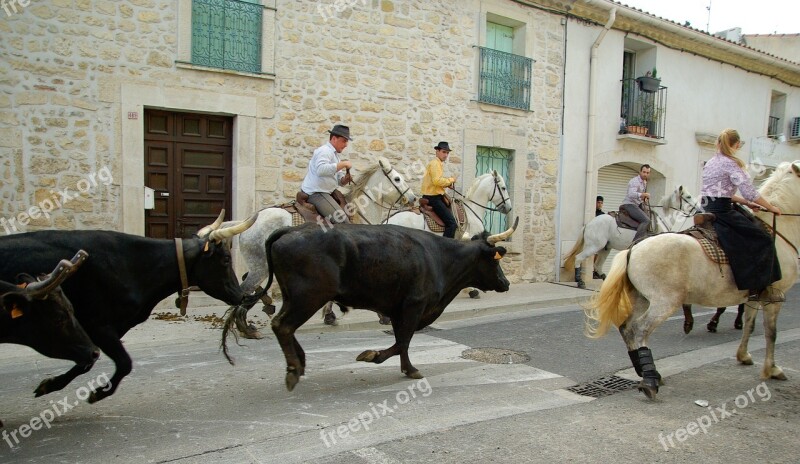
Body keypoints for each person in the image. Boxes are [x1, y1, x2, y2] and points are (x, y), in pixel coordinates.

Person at [700, 128, 783, 303]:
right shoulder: (731, 164)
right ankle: (758, 288)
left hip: (706, 208)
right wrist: (771, 207)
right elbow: (750, 192)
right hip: (723, 211)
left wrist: (746, 204)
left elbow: (722, 192)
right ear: (737, 145)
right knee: (764, 238)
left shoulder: (711, 162)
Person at [301, 124, 354, 225]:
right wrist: (343, 164)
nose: (346, 144)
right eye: (344, 141)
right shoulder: (324, 151)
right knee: (343, 222)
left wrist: (344, 179)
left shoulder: (335, 156)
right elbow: (321, 170)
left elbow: (339, 181)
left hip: (326, 192)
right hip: (316, 193)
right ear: (334, 139)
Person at [422, 141, 458, 238]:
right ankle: (445, 248)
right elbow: (436, 181)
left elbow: (434, 182)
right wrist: (451, 180)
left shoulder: (437, 163)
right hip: (433, 198)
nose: (446, 155)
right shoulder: (435, 164)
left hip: (432, 195)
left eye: (447, 153)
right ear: (437, 151)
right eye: (443, 152)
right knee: (452, 224)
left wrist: (446, 185)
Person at [621, 164, 651, 242]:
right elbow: (631, 194)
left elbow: (639, 196)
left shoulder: (644, 182)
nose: (645, 174)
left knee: (651, 216)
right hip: (629, 204)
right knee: (646, 220)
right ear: (640, 172)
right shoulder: (635, 181)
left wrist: (644, 198)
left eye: (647, 173)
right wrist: (643, 194)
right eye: (644, 172)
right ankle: (636, 242)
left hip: (637, 204)